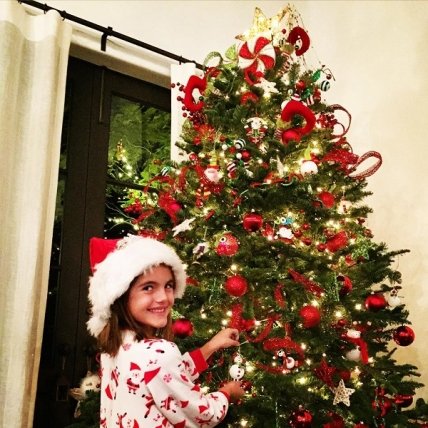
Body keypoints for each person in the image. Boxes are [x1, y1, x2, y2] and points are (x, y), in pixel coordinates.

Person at [87, 235, 245, 428]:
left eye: (168, 285)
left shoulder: (117, 345)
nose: (163, 297)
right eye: (148, 287)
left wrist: (211, 346)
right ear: (120, 295)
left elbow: (166, 376)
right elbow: (205, 414)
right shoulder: (158, 352)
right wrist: (227, 392)